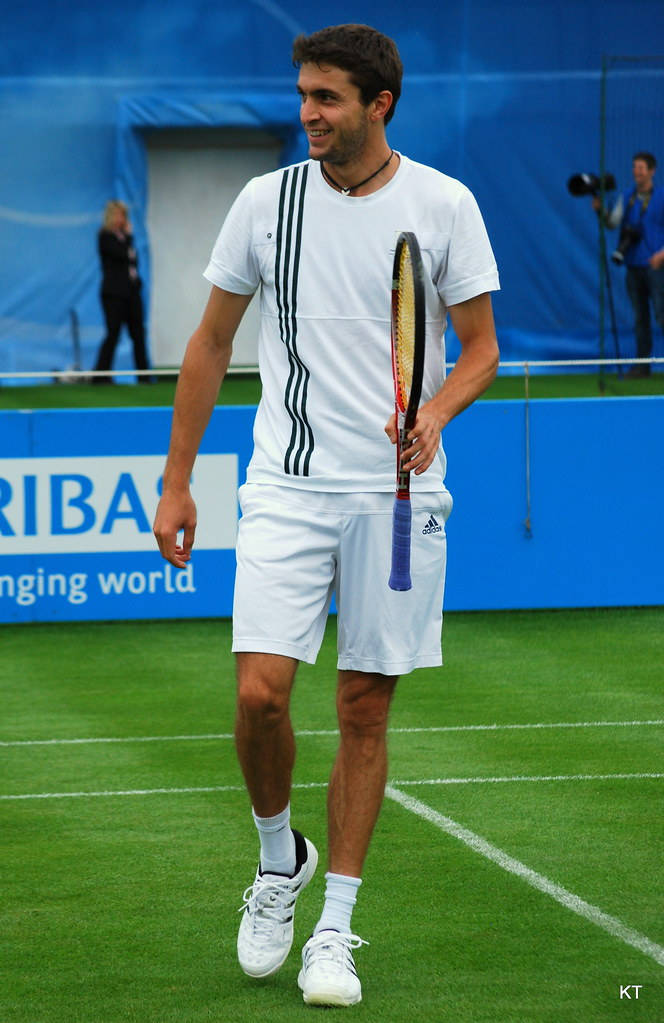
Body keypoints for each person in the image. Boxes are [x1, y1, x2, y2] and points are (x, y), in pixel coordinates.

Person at [153, 23, 499, 1008]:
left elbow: (481, 348)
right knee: (261, 693)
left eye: (326, 98)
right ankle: (278, 863)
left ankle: (336, 928)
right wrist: (177, 482)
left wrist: (432, 412)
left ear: (378, 103)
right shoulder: (266, 202)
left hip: (396, 499)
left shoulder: (443, 205)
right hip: (287, 491)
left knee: (362, 707)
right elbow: (212, 342)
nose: (306, 112)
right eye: (303, 95)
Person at [593, 152, 664, 377]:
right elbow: (612, 222)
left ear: (652, 171)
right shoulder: (628, 196)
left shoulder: (662, 197)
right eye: (634, 167)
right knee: (639, 319)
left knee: (662, 315)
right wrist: (600, 211)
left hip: (657, 266)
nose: (636, 171)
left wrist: (662, 255)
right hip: (633, 266)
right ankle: (642, 366)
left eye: (641, 168)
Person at [92, 199, 152, 383]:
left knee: (138, 333)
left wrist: (128, 238)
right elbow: (120, 255)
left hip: (132, 292)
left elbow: (133, 261)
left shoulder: (128, 239)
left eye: (123, 215)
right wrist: (128, 237)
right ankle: (101, 375)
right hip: (114, 293)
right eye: (118, 215)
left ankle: (144, 375)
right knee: (113, 333)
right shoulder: (106, 237)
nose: (121, 219)